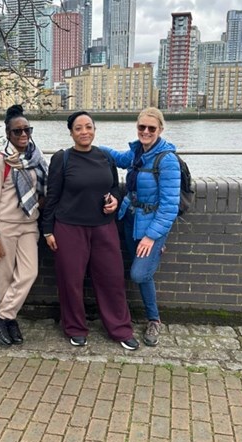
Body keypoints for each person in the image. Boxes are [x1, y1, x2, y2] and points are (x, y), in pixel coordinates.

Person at [41, 111, 140, 351]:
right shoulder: (62, 159)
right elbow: (52, 196)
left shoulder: (105, 157)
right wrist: (47, 230)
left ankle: (120, 329)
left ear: (95, 130)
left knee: (112, 279)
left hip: (104, 227)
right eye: (78, 128)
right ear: (71, 133)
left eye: (88, 127)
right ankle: (75, 328)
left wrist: (115, 200)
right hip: (69, 228)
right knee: (71, 281)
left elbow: (114, 187)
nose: (84, 132)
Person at [99, 107, 181, 346]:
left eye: (151, 128)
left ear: (160, 129)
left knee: (139, 273)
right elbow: (118, 158)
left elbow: (169, 207)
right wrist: (90, 146)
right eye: (141, 127)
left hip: (151, 226)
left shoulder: (167, 160)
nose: (145, 131)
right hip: (131, 219)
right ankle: (153, 318)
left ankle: (154, 319)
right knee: (141, 273)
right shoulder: (137, 152)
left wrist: (152, 237)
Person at [0, 105, 48, 346]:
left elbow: (44, 190)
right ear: (8, 133)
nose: (23, 134)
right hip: (4, 226)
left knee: (29, 273)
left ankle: (0, 318)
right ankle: (9, 320)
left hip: (29, 224)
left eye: (27, 130)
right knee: (5, 279)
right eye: (17, 131)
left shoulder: (37, 159)